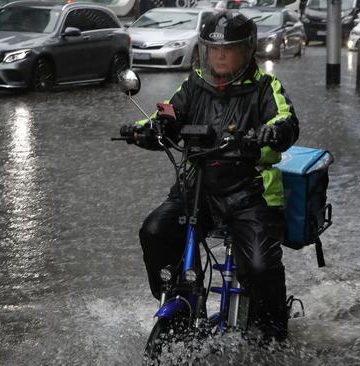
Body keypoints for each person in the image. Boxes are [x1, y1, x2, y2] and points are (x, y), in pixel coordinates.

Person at [121, 10, 299, 340]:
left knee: (260, 267)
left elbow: (284, 120)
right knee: (154, 231)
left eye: (227, 48)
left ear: (246, 50)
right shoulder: (193, 86)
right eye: (213, 48)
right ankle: (184, 302)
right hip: (196, 189)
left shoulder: (265, 87)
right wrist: (144, 131)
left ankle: (274, 331)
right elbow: (166, 117)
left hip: (248, 193)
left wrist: (272, 133)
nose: (219, 55)